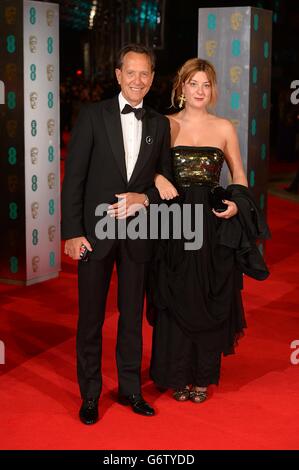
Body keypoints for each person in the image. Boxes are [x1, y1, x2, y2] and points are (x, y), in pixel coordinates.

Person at [61, 44, 173, 424]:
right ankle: (90, 394)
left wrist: (145, 196)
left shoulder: (158, 124)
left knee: (131, 318)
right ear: (118, 75)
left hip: (140, 234)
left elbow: (166, 179)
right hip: (94, 233)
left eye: (145, 74)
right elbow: (73, 178)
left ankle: (130, 389)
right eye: (131, 72)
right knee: (90, 318)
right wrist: (73, 232)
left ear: (153, 78)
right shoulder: (93, 115)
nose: (138, 80)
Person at [148, 58, 270, 403]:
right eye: (193, 83)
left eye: (206, 84)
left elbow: (240, 177)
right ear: (181, 87)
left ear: (212, 89)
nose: (200, 90)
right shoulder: (164, 125)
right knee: (175, 293)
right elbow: (148, 171)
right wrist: (158, 177)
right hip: (172, 222)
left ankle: (202, 376)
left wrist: (236, 204)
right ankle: (177, 374)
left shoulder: (224, 127)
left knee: (209, 294)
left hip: (212, 222)